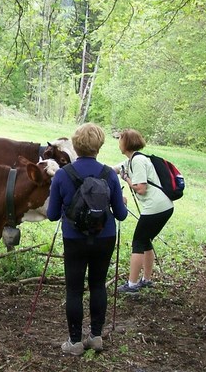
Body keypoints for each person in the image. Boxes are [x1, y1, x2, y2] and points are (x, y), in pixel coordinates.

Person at [46, 123, 128, 356]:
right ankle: (95, 337)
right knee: (98, 284)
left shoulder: (62, 174)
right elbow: (121, 215)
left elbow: (52, 215)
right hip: (105, 236)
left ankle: (74, 342)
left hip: (74, 238)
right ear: (99, 147)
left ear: (76, 146)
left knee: (73, 290)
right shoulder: (109, 174)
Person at [116, 129, 175, 296]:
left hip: (156, 207)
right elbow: (114, 169)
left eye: (120, 139)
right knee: (146, 241)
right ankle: (146, 280)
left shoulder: (138, 161)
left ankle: (132, 284)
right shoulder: (131, 160)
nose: (118, 142)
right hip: (163, 206)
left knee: (138, 242)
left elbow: (141, 188)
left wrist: (126, 179)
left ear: (126, 142)